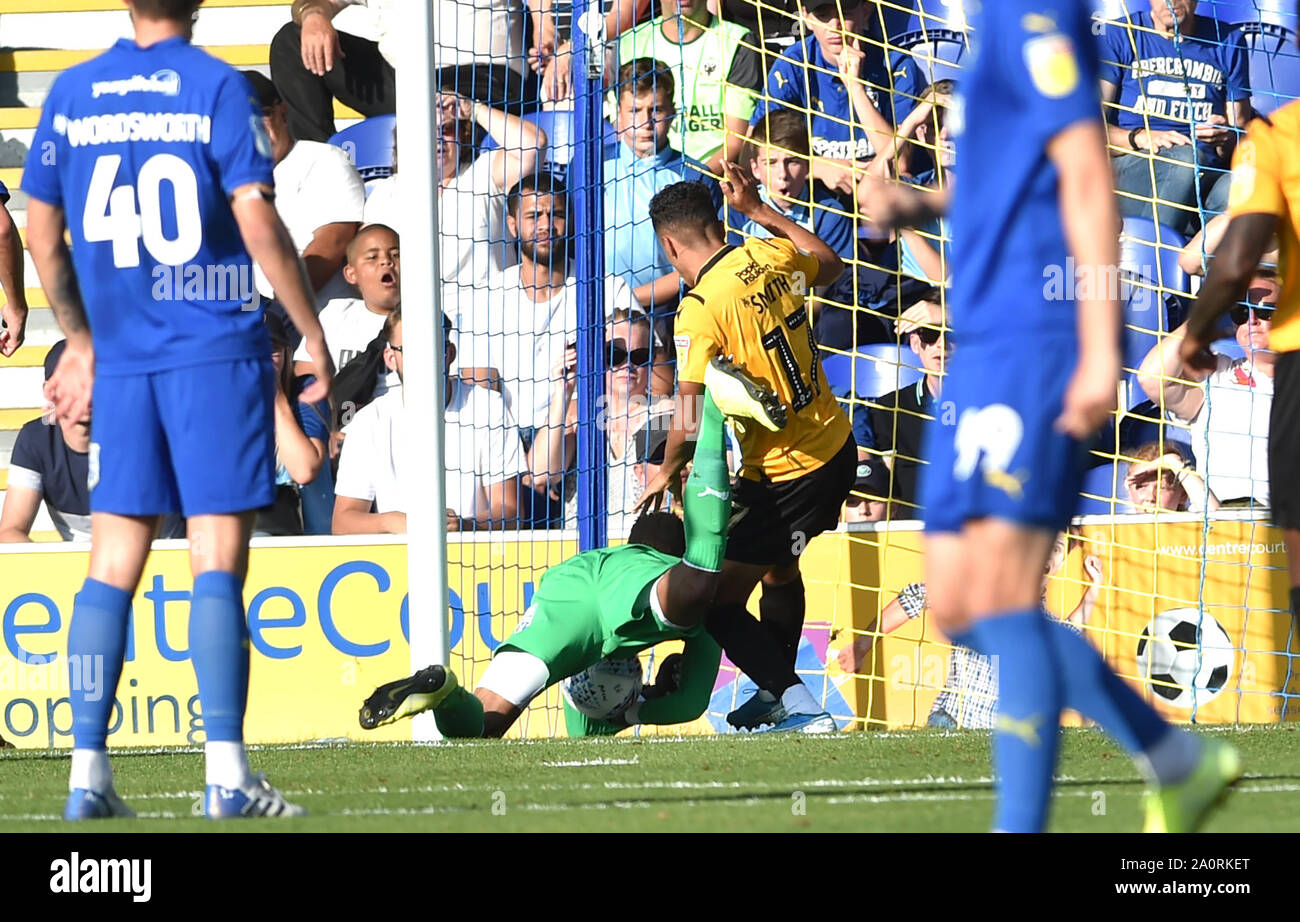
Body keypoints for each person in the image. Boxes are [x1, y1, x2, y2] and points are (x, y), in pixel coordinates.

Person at [878, 0, 1238, 832]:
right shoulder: (994, 31)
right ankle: (1175, 758)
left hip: (1037, 346)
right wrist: (921, 206)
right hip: (984, 344)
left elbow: (1085, 171)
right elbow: (1014, 177)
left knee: (1004, 598)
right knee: (963, 607)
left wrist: (1100, 343)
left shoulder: (1038, 13)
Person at [23, 0, 333, 820]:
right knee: (216, 561)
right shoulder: (213, 85)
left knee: (110, 568)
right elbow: (255, 215)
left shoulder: (74, 91)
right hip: (211, 350)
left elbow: (40, 230)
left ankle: (86, 774)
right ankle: (226, 774)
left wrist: (82, 341)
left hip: (123, 361)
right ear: (197, 4)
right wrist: (309, 330)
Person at [356, 360, 777, 739]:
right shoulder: (669, 576)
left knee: (484, 723)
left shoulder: (610, 562)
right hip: (628, 590)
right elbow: (690, 704)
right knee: (704, 576)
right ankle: (715, 409)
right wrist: (633, 713)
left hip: (564, 589)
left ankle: (446, 690)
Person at [640, 172, 855, 733]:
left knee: (714, 600)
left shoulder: (700, 307)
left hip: (790, 477)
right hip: (835, 446)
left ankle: (797, 704)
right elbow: (831, 267)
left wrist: (667, 469)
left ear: (669, 245)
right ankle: (772, 689)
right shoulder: (765, 253)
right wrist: (761, 210)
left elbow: (685, 410)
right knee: (780, 573)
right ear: (718, 222)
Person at [1176, 68, 1300, 641]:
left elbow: (1210, 267)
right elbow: (1191, 261)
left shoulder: (1279, 134)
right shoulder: (1276, 137)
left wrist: (1199, 332)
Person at [837, 528, 1104, 729]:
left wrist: (1094, 588)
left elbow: (1068, 631)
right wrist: (863, 644)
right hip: (954, 722)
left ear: (1059, 564)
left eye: (1057, 548)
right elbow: (917, 596)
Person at [453, 173, 646, 446]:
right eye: (533, 216)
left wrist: (582, 407)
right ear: (512, 225)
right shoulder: (485, 295)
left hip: (587, 433)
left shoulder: (608, 289)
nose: (546, 225)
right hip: (506, 438)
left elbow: (651, 366)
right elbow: (479, 383)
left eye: (555, 214)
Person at [332, 311, 528, 534]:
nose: (423, 358)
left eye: (433, 345)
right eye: (411, 349)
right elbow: (343, 522)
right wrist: (393, 522)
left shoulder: (489, 407)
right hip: (398, 557)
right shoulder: (369, 421)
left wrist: (464, 525)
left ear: (450, 353)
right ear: (390, 358)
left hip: (472, 553)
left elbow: (510, 511)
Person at [270, 0, 530, 144]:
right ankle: (320, 164)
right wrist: (314, 15)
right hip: (404, 78)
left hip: (480, 79)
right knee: (290, 42)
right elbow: (310, 2)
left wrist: (545, 26)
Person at [1099, 0, 1251, 236]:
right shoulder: (1120, 34)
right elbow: (1090, 128)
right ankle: (1147, 264)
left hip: (1204, 174)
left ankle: (1204, 268)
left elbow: (1241, 136)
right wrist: (1139, 137)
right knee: (1183, 159)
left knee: (1243, 189)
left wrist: (1225, 137)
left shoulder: (1228, 40)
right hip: (1136, 167)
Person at [750, 0, 920, 201]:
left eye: (845, 12)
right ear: (807, 18)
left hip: (881, 195)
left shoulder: (896, 64)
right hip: (815, 194)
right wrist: (816, 166)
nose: (835, 25)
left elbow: (901, 164)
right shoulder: (792, 65)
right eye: (823, 14)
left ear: (865, 11)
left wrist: (855, 87)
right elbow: (752, 153)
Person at [1137, 270, 1276, 506]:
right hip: (1219, 526)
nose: (1251, 320)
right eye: (1241, 312)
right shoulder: (1217, 374)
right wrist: (1209, 311)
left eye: (1265, 310)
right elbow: (1152, 378)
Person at [530, 309, 672, 535]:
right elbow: (542, 473)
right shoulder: (577, 415)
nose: (627, 365)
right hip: (580, 551)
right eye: (614, 355)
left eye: (639, 356)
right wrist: (564, 391)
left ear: (653, 360)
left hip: (642, 552)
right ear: (596, 358)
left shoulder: (669, 415)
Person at [241, 71, 364, 311]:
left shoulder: (323, 159)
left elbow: (334, 240)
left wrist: (279, 310)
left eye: (262, 114)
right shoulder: (218, 178)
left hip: (316, 320)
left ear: (283, 112)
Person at [604, 59, 718, 317]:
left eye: (656, 110)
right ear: (618, 113)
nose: (645, 122)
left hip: (673, 313)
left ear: (673, 111)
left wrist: (630, 298)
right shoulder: (592, 167)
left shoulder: (694, 176)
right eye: (635, 110)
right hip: (600, 313)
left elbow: (707, 260)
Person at [734, 110, 856, 325]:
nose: (783, 174)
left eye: (792, 161)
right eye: (770, 162)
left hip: (807, 319)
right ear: (754, 168)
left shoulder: (829, 213)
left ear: (808, 165)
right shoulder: (737, 211)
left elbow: (827, 292)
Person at [616, 0, 764, 173]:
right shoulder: (630, 43)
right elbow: (622, 129)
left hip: (710, 182)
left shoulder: (738, 41)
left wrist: (695, 182)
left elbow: (736, 140)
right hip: (644, 175)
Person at [292, 223, 401, 398]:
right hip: (343, 422)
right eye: (372, 257)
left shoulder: (427, 319)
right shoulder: (335, 315)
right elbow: (305, 381)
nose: (386, 261)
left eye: (396, 255)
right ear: (351, 274)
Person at [0, 341, 91, 542]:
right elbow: (10, 531)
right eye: (73, 382)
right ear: (49, 391)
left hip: (159, 560)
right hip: (78, 566)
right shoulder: (36, 438)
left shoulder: (141, 433)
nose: (87, 391)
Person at [867, 298, 951, 516]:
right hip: (908, 533)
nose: (942, 344)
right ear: (915, 344)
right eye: (931, 334)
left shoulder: (988, 404)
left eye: (952, 334)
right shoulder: (889, 408)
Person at [258, 315, 331, 536]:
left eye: (270, 349)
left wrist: (276, 397)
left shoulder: (306, 391)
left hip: (305, 535)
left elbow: (304, 471)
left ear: (288, 354)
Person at [1122, 442, 1218, 513]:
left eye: (1162, 488)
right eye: (1141, 486)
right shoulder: (1120, 529)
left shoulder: (1189, 524)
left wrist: (1173, 462)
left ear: (1183, 495)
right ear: (1130, 492)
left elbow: (1214, 515)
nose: (1151, 497)